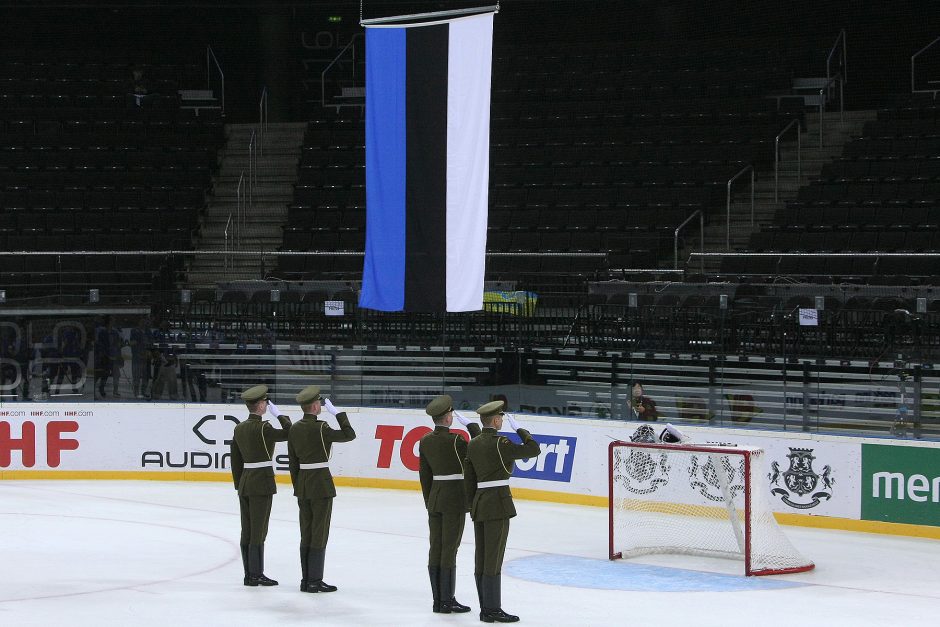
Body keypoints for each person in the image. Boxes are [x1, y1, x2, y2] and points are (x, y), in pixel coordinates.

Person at [464, 400, 541, 624]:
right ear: (497, 420)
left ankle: (484, 608)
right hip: (497, 503)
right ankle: (492, 609)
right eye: (500, 418)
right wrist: (521, 430)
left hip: (479, 503)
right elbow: (533, 449)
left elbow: (469, 478)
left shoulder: (474, 443)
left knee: (482, 557)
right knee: (493, 558)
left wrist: (471, 505)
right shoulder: (501, 442)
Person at [287, 385, 356, 593]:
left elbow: (292, 462)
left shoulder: (294, 428)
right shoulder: (322, 427)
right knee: (319, 533)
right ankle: (315, 580)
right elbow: (349, 434)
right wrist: (339, 415)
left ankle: (305, 579)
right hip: (320, 484)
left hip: (303, 484)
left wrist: (298, 485)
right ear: (316, 406)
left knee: (306, 532)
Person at [418, 395, 480, 614]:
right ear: (447, 417)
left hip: (435, 498)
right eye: (451, 413)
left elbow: (424, 475)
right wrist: (472, 427)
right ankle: (447, 600)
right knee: (449, 550)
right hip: (454, 500)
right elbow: (480, 451)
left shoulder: (425, 440)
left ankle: (438, 600)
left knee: (436, 548)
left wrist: (429, 500)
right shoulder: (456, 441)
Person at [230, 384, 292, 587]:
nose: (267, 404)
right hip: (261, 483)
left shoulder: (239, 428)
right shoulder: (264, 428)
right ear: (260, 405)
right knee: (258, 530)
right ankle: (256, 574)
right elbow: (290, 433)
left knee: (246, 529)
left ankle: (249, 574)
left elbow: (236, 460)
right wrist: (280, 416)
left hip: (246, 483)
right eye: (265, 402)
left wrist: (239, 484)